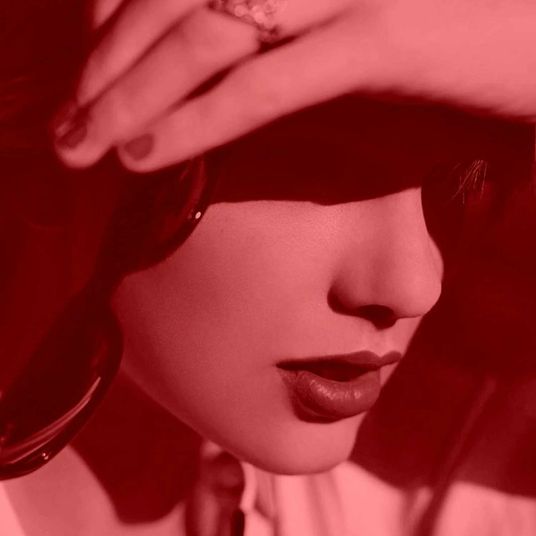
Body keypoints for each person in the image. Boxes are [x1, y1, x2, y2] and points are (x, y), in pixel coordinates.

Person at [1, 0, 535, 535]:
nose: (415, 288)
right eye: (318, 169)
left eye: (456, 188)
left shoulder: (429, 471)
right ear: (44, 164)